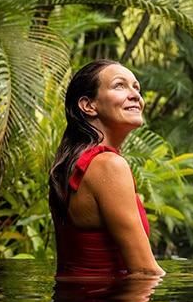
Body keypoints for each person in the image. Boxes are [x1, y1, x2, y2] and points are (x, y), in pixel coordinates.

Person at [48, 59, 165, 278]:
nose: (135, 96)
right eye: (119, 85)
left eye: (136, 87)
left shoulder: (71, 165)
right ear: (88, 105)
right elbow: (144, 270)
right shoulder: (108, 165)